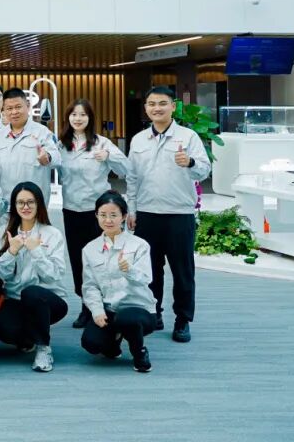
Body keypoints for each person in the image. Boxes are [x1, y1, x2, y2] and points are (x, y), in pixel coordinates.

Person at [126, 85, 211, 343]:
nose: (157, 108)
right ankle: (155, 313)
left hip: (179, 214)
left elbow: (204, 169)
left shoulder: (188, 137)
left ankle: (183, 319)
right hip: (147, 213)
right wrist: (132, 209)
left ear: (173, 106)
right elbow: (132, 178)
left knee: (182, 271)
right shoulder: (139, 140)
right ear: (146, 108)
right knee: (150, 270)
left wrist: (190, 163)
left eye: (163, 103)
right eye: (152, 104)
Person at [56, 98, 129, 329]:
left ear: (90, 118)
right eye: (74, 114)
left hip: (96, 213)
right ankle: (85, 305)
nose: (78, 119)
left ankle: (102, 305)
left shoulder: (102, 143)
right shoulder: (61, 144)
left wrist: (109, 157)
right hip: (71, 209)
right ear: (68, 118)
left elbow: (125, 169)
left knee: (98, 259)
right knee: (78, 259)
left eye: (83, 115)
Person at [0, 182, 67, 373]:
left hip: (48, 299)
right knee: (3, 330)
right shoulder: (3, 233)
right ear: (14, 205)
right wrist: (11, 251)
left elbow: (54, 276)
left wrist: (36, 251)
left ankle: (43, 348)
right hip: (15, 299)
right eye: (20, 202)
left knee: (32, 293)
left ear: (39, 203)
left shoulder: (52, 234)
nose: (25, 207)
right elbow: (0, 274)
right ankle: (29, 337)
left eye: (30, 202)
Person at [80, 190, 155, 373]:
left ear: (123, 216)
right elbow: (90, 286)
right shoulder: (90, 249)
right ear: (96, 215)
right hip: (111, 310)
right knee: (91, 343)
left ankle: (139, 352)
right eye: (103, 215)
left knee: (127, 319)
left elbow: (146, 278)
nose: (108, 220)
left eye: (113, 215)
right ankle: (114, 341)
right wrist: (97, 311)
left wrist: (129, 270)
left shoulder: (139, 245)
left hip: (138, 309)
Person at [0, 87, 61, 210]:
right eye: (9, 108)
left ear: (28, 106)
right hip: (6, 206)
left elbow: (57, 158)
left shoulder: (42, 132)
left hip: (34, 206)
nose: (14, 112)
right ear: (4, 111)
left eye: (18, 107)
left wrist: (48, 157)